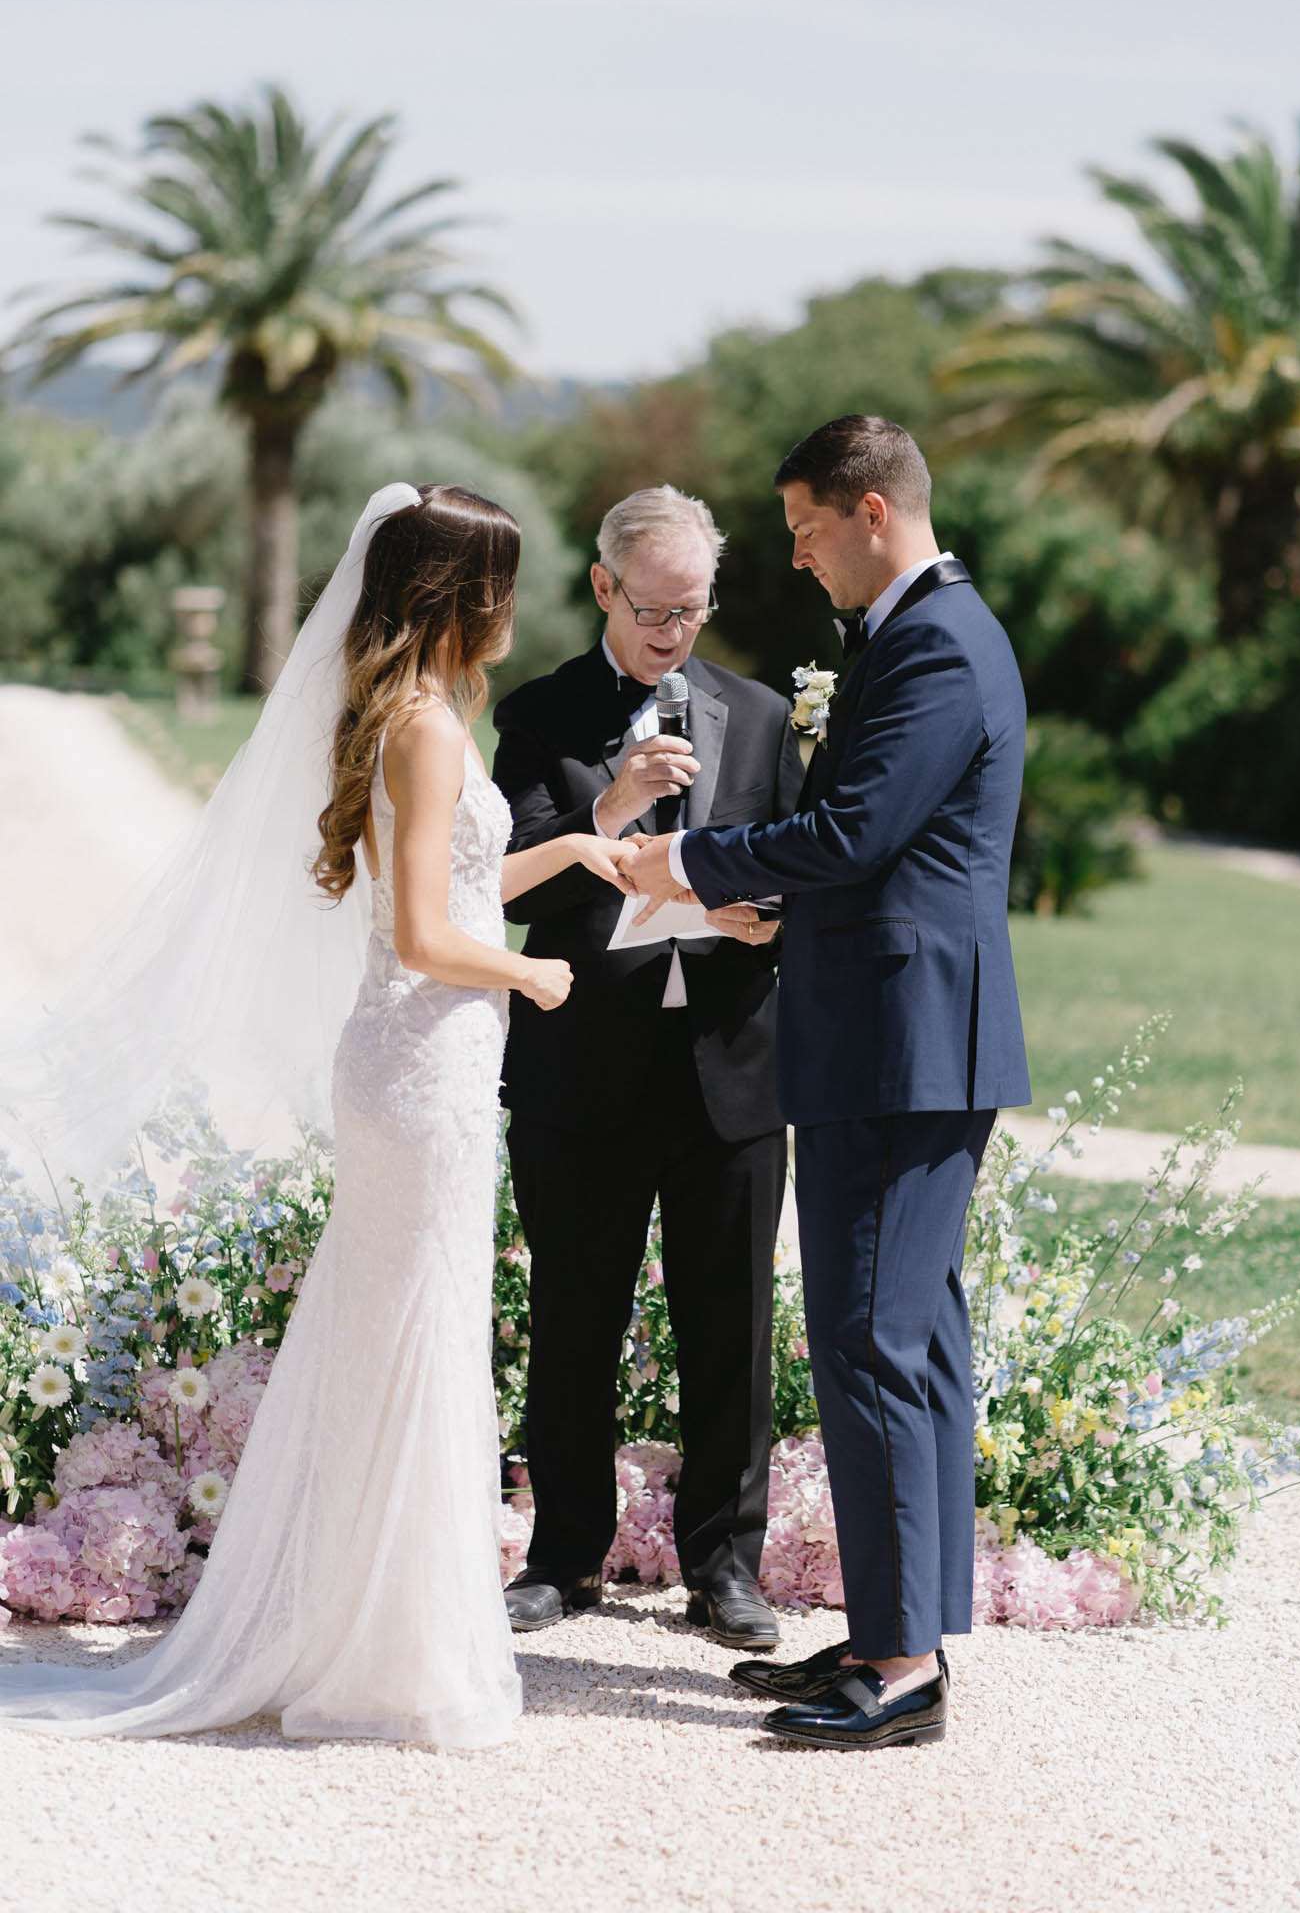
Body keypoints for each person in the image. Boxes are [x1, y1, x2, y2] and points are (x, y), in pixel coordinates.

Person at [0, 483, 630, 1749]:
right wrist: (532, 971)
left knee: (408, 1329)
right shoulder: (429, 729)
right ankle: (384, 1651)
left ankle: (379, 1625)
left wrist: (571, 852)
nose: (516, 607)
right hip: (421, 1067)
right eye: (500, 583)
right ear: (461, 594)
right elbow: (421, 933)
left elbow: (453, 882)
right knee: (412, 1336)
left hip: (425, 1062)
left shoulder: (417, 715)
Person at [621, 418, 1031, 1750]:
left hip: (901, 1044)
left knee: (872, 1337)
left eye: (802, 527)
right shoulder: (913, 635)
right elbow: (878, 850)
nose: (795, 557)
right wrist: (777, 910)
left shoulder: (936, 641)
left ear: (869, 510)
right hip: (890, 1027)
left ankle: (903, 1670)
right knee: (905, 1339)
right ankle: (892, 1626)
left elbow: (855, 830)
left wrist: (691, 866)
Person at [491, 486, 805, 1649]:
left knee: (731, 1321)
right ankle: (566, 1553)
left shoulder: (764, 714)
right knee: (577, 1313)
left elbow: (796, 858)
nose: (680, 630)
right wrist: (614, 802)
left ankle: (725, 1567)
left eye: (697, 607)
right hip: (585, 1059)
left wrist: (770, 914)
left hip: (730, 1059)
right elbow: (511, 876)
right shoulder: (540, 713)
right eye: (659, 607)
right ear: (603, 587)